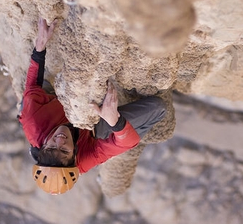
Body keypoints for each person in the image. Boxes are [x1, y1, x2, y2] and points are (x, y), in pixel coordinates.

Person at [18, 18, 166, 195]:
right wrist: (115, 122)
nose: (59, 140)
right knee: (158, 108)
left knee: (31, 97)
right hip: (93, 130)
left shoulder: (34, 122)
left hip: (54, 105)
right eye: (64, 150)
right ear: (74, 156)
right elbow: (129, 142)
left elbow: (32, 87)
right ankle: (113, 124)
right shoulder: (85, 159)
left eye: (51, 147)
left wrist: (40, 48)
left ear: (42, 147)